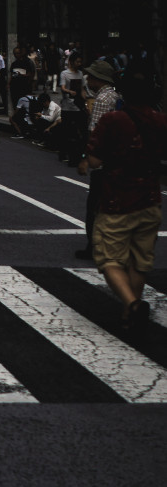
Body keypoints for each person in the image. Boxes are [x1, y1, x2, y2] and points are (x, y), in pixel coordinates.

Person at [87, 65, 167, 330]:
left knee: (109, 258)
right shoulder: (160, 120)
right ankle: (127, 313)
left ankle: (132, 304)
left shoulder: (113, 120)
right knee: (139, 259)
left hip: (117, 199)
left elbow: (95, 159)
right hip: (151, 198)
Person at [75, 60, 122, 260]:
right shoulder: (115, 96)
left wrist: (87, 158)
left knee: (95, 206)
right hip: (116, 161)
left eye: (91, 76)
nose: (88, 79)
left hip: (102, 162)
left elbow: (96, 133)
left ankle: (93, 246)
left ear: (98, 79)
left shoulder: (102, 100)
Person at [58, 52, 88, 165]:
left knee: (77, 131)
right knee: (66, 130)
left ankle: (74, 153)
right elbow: (62, 87)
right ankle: (63, 152)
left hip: (78, 106)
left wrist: (85, 100)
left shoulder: (80, 74)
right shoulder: (64, 74)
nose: (79, 64)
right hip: (67, 106)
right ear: (71, 62)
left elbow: (83, 89)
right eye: (77, 61)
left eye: (80, 62)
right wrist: (70, 92)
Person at [8, 46, 36, 112]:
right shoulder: (14, 64)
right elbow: (12, 75)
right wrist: (8, 84)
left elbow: (31, 74)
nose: (16, 55)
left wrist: (23, 76)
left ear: (21, 53)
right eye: (15, 53)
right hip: (14, 86)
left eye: (18, 53)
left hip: (24, 85)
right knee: (15, 102)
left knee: (24, 103)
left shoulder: (27, 62)